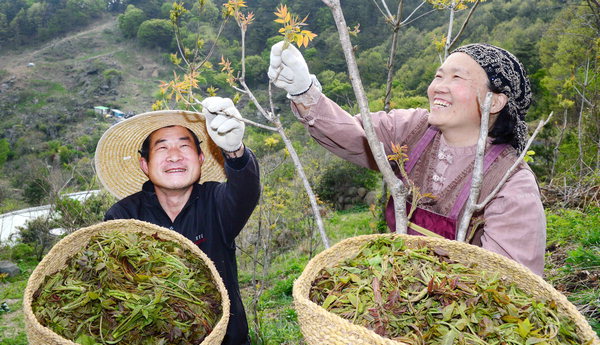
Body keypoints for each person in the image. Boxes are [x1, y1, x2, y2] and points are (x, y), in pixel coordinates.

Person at [268, 41, 546, 276]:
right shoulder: (414, 129)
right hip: (396, 287)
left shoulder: (510, 185)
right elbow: (352, 135)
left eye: (457, 78)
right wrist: (304, 91)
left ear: (495, 102)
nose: (438, 87)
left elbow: (508, 284)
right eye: (439, 76)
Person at [94, 97, 260, 345]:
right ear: (145, 164)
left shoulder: (216, 202)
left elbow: (245, 191)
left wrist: (235, 152)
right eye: (162, 148)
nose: (174, 156)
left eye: (184, 147)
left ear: (201, 159)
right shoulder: (123, 216)